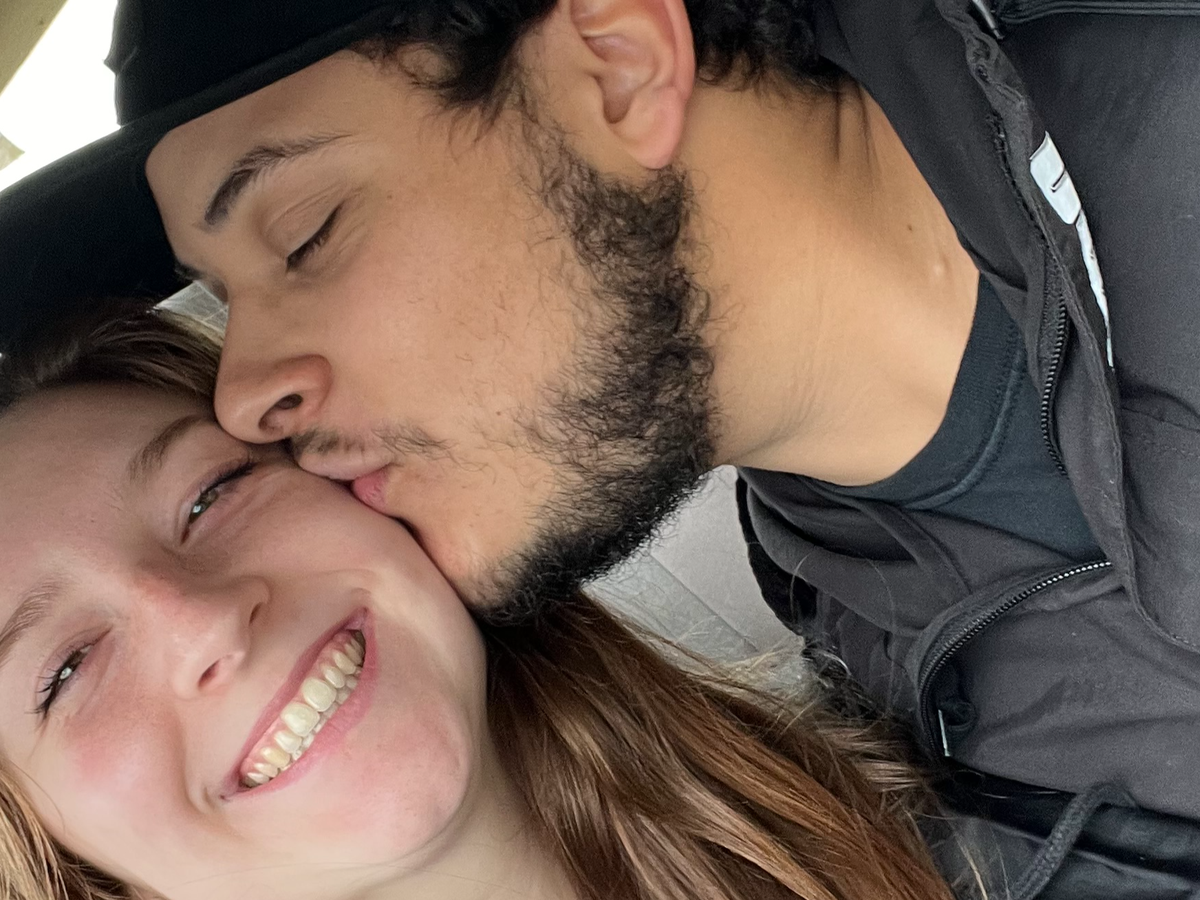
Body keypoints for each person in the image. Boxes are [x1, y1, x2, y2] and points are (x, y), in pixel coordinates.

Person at [1, 0, 1199, 895]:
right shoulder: (900, 685)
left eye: (306, 233)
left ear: (617, 63)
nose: (250, 393)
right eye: (223, 298)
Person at [0, 300, 957, 900]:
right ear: (65, 864)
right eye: (65, 670)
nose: (203, 621)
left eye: (211, 495)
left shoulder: (975, 778)